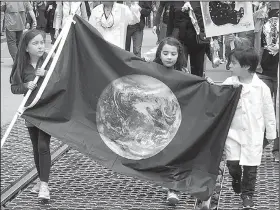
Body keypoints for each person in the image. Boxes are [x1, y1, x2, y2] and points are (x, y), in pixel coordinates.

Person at [149, 37, 213, 205]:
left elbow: (194, 87)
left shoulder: (183, 71)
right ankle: (171, 183)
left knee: (175, 153)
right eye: (165, 53)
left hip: (177, 119)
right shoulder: (151, 68)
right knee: (163, 154)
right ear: (159, 54)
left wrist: (207, 84)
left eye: (173, 54)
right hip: (157, 120)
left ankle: (173, 189)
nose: (169, 57)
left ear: (179, 55)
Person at [222, 48, 276, 209]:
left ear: (246, 66)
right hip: (233, 132)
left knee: (251, 169)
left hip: (254, 134)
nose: (229, 66)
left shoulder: (262, 88)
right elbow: (216, 100)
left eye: (233, 63)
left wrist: (271, 133)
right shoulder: (228, 84)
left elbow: (268, 111)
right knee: (233, 164)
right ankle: (236, 177)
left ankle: (247, 195)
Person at [10, 29, 53, 200]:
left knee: (43, 145)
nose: (40, 46)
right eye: (35, 43)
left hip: (48, 110)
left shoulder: (49, 60)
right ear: (26, 48)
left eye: (42, 42)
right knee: (36, 147)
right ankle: (41, 179)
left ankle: (44, 185)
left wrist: (47, 74)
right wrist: (26, 85)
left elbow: (62, 79)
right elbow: (14, 88)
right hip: (30, 111)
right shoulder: (21, 63)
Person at [258, 1, 279, 162]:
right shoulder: (259, 8)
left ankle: (277, 149)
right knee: (262, 110)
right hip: (263, 70)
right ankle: (258, 145)